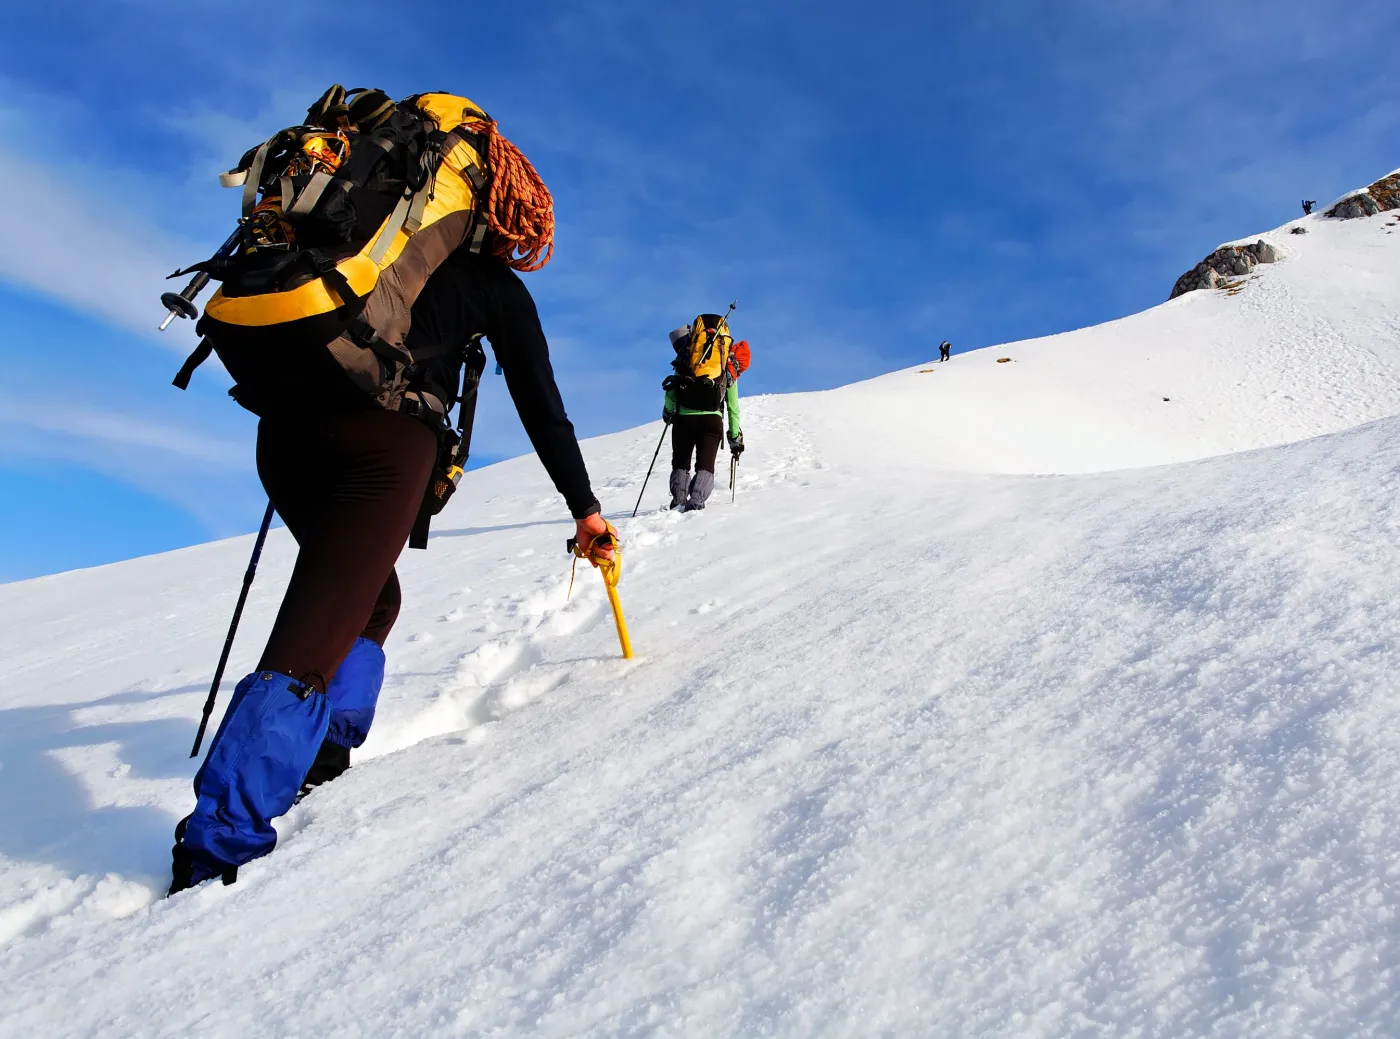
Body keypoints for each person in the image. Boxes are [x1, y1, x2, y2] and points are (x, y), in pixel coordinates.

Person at [168, 94, 614, 895]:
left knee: (372, 600)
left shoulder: (355, 254)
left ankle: (326, 753)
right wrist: (584, 506)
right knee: (311, 638)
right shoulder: (493, 287)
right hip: (381, 448)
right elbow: (542, 407)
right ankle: (218, 844)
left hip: (287, 432)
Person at [662, 322, 744, 511]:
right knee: (706, 464)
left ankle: (678, 501)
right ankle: (697, 501)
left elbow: (672, 392)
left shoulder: (687, 360)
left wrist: (668, 412)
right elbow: (733, 407)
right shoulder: (725, 367)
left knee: (681, 462)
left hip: (684, 419)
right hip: (711, 420)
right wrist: (734, 436)